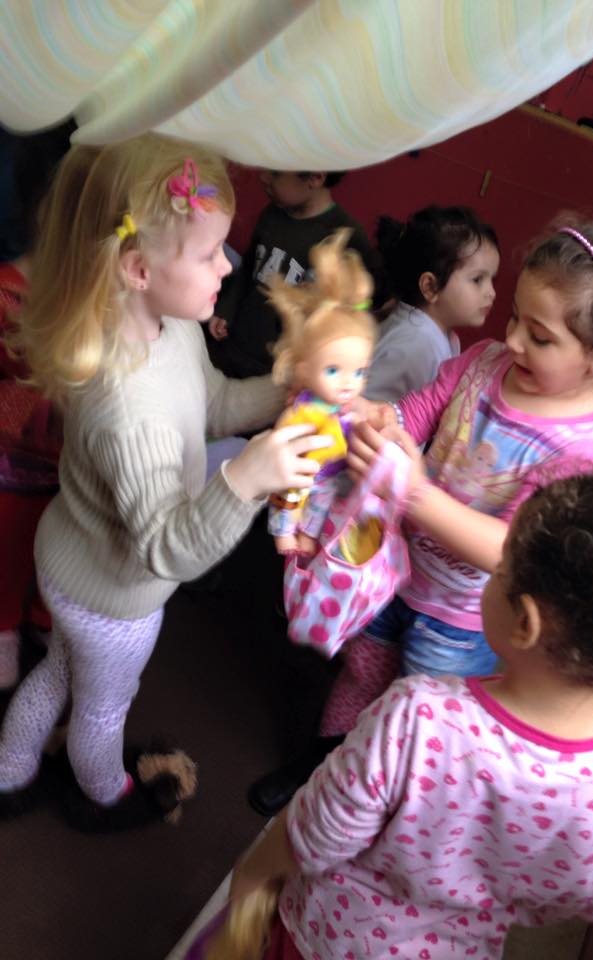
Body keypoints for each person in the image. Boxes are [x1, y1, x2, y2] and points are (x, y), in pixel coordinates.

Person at [249, 208, 593, 817]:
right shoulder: (487, 361)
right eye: (515, 315)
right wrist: (384, 420)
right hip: (394, 567)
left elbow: (510, 549)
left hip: (463, 617)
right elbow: (427, 405)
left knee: (420, 720)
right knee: (361, 670)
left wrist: (415, 492)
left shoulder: (579, 452)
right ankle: (324, 763)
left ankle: (379, 808)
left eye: (540, 337)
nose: (513, 338)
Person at [188, 461, 593, 960]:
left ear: (525, 622)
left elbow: (314, 834)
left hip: (326, 937)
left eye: (501, 568)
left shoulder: (419, 717)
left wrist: (252, 878)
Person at [0, 133, 332, 831]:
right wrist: (244, 480)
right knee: (102, 709)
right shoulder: (131, 409)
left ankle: (10, 768)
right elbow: (168, 549)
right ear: (138, 268)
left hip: (75, 563)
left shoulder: (166, 327)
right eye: (209, 254)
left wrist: (285, 389)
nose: (228, 266)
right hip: (113, 598)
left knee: (58, 673)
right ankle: (106, 795)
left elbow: (212, 403)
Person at [0, 121, 74, 689]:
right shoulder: (6, 285)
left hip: (64, 457)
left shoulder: (80, 292)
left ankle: (43, 621)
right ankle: (4, 627)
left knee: (57, 551)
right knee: (9, 547)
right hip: (11, 452)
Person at [206, 169, 378, 380]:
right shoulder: (272, 213)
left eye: (276, 173)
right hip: (233, 344)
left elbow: (353, 314)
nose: (263, 177)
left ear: (315, 177)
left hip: (276, 370)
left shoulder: (345, 236)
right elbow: (248, 265)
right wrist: (226, 309)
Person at [267, 229, 376, 556]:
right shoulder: (302, 408)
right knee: (289, 497)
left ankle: (308, 533)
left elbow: (364, 421)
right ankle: (284, 531)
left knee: (323, 502)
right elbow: (281, 438)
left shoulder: (350, 406)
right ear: (303, 369)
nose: (348, 383)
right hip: (299, 472)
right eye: (333, 370)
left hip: (330, 475)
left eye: (359, 372)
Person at [364, 205, 499, 402]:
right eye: (477, 280)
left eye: (492, 280)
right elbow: (362, 403)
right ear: (430, 286)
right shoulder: (417, 343)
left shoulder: (435, 333)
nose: (491, 293)